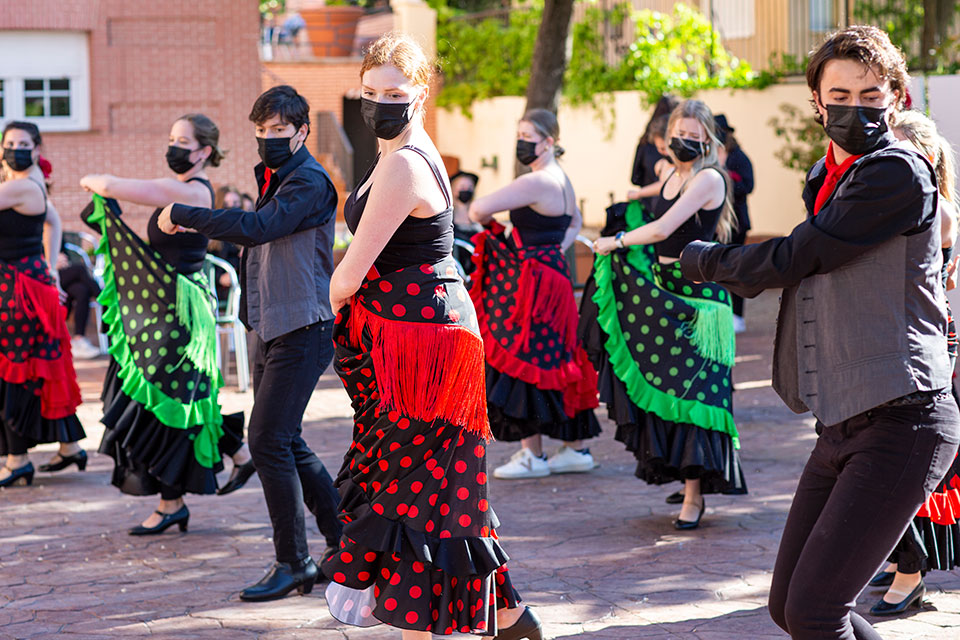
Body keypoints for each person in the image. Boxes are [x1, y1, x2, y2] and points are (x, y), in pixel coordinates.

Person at [679, 26, 960, 640]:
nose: (855, 107)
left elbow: (799, 256)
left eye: (870, 94)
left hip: (904, 418)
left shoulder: (898, 175)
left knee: (814, 612)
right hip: (842, 422)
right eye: (840, 94)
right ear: (816, 101)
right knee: (790, 608)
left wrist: (708, 261)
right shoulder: (828, 177)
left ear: (897, 98)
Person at [319, 31, 537, 640]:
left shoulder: (405, 165)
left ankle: (423, 626)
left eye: (393, 91)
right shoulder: (405, 154)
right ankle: (514, 619)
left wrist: (329, 294)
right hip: (420, 335)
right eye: (368, 91)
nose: (378, 102)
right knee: (440, 478)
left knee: (411, 481)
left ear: (420, 91)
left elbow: (350, 273)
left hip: (422, 345)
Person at [157, 85, 343, 602]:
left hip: (304, 326)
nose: (268, 139)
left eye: (279, 131)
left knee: (266, 441)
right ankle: (343, 545)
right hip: (272, 325)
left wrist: (187, 213)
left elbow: (261, 228)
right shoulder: (278, 176)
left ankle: (294, 562)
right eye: (261, 131)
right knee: (285, 441)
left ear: (302, 131)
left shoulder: (308, 181)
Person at [79, 113, 254, 533]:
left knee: (168, 396)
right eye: (171, 138)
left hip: (180, 311)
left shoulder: (189, 190)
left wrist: (95, 183)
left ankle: (176, 497)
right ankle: (230, 460)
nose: (173, 146)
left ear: (204, 152)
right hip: (168, 308)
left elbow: (109, 185)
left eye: (182, 140)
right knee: (169, 395)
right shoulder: (182, 188)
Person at [587, 100, 746, 530]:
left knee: (697, 396)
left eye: (695, 137)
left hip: (700, 302)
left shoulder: (709, 178)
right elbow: (653, 195)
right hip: (667, 292)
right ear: (667, 135)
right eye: (681, 134)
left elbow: (661, 230)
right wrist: (634, 197)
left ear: (708, 140)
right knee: (670, 385)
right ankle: (685, 476)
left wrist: (616, 241)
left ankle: (694, 496)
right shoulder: (672, 172)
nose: (686, 142)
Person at [468, 109, 600, 480]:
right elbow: (573, 222)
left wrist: (519, 241)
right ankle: (575, 449)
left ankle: (533, 455)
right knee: (555, 357)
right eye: (519, 133)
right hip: (553, 274)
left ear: (549, 142)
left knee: (527, 354)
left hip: (537, 284)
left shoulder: (538, 181)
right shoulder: (562, 179)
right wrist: (554, 248)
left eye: (528, 135)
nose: (521, 142)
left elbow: (478, 208)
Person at [866, 109, 960, 616]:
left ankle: (911, 570)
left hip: (919, 351)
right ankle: (900, 559)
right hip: (892, 345)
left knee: (905, 460)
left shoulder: (936, 209)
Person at [0, 121, 85, 487]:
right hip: (26, 283)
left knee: (17, 367)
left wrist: (47, 269)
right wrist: (50, 267)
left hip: (18, 290)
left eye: (22, 143)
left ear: (36, 150)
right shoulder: (31, 181)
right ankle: (69, 447)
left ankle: (18, 458)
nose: (15, 148)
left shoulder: (21, 185)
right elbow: (52, 219)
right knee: (34, 365)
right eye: (9, 143)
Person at [713, 114, 754, 334]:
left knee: (736, 268)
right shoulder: (708, 157)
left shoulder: (739, 157)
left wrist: (727, 180)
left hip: (736, 222)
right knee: (715, 268)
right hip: (715, 225)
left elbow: (748, 185)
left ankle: (737, 315)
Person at [630, 95, 679, 215]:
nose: (663, 152)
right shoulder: (662, 163)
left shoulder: (683, 164)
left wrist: (640, 192)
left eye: (665, 148)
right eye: (660, 148)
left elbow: (665, 185)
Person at [56, 248, 102, 360]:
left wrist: (63, 262)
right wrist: (51, 262)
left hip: (64, 277)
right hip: (47, 272)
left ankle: (78, 339)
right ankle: (103, 299)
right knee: (80, 269)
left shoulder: (58, 233)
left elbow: (64, 254)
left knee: (82, 291)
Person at [450, 169, 480, 277]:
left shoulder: (479, 215)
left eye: (470, 188)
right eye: (462, 187)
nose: (466, 190)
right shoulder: (447, 217)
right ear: (453, 190)